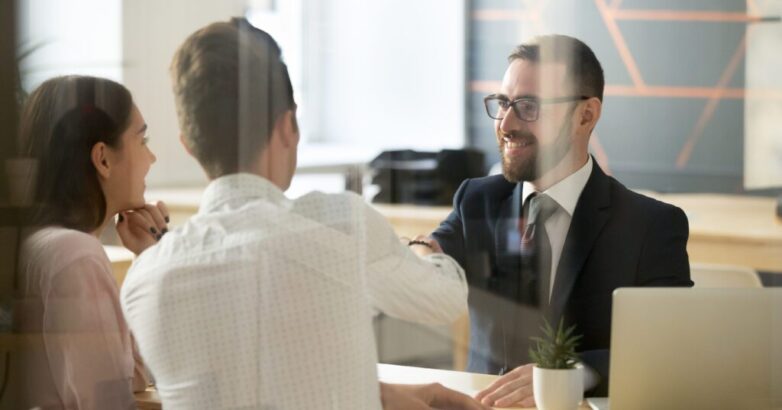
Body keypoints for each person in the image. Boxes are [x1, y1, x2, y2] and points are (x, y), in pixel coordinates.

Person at [120, 18, 487, 410]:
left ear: (189, 146)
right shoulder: (340, 224)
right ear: (287, 125)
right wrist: (423, 247)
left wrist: (387, 394)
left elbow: (248, 382)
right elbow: (445, 300)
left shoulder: (143, 280)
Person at [429, 35, 692, 407]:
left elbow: (671, 348)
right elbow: (432, 255)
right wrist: (420, 251)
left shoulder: (651, 226)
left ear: (585, 115)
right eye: (503, 103)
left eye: (529, 106)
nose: (506, 123)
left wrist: (571, 373)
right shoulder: (476, 199)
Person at [12, 75, 168, 409]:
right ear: (103, 159)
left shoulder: (40, 244)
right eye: (143, 140)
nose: (151, 158)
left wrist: (147, 257)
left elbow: (131, 375)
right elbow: (107, 401)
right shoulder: (75, 255)